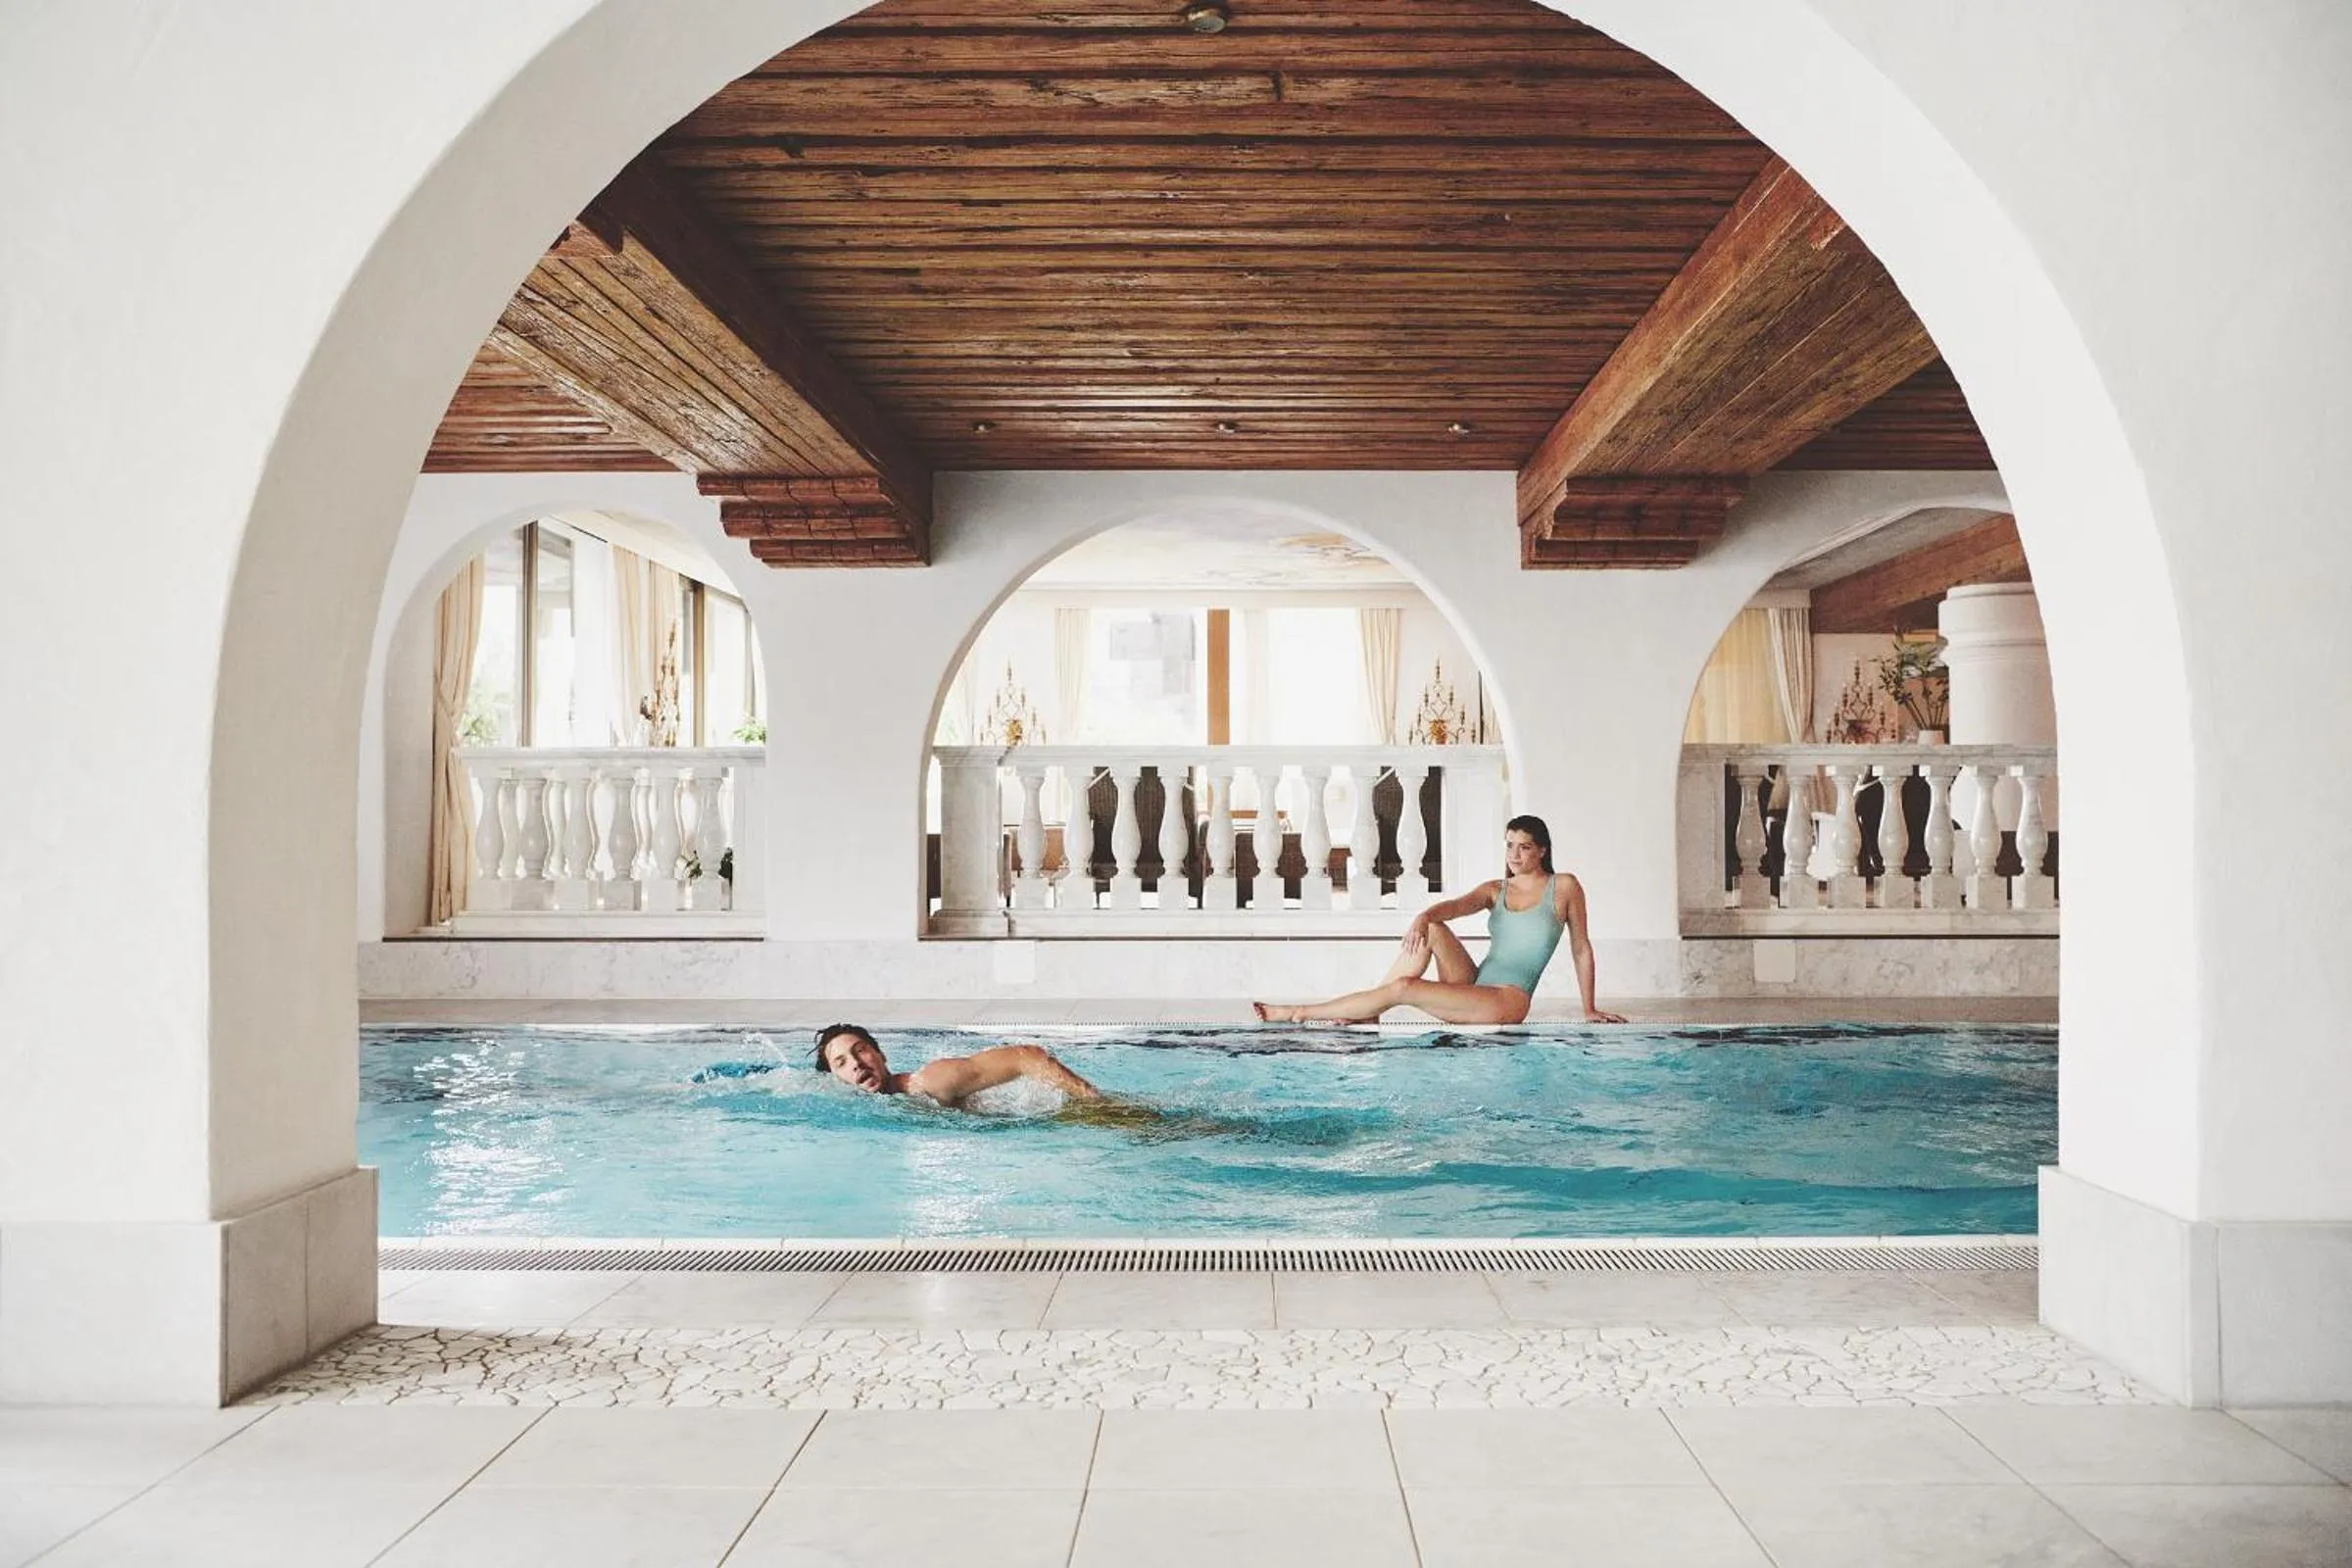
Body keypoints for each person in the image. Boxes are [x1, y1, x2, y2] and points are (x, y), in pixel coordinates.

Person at [1252, 814, 1628, 1026]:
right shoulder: (1496, 889)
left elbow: (1581, 949)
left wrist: (1589, 1009)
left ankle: (1297, 1012)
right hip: (1475, 986)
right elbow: (1454, 907)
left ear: (1542, 850)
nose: (1514, 855)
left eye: (1524, 847)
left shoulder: (1564, 887)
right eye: (1510, 845)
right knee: (1431, 928)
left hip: (1506, 1001)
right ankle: (1369, 1013)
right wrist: (1423, 916)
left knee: (1405, 987)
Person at [813, 1022, 1106, 1108]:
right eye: (841, 1063)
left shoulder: (930, 1082)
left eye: (861, 1051)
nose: (856, 1064)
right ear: (834, 1078)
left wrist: (1093, 1101)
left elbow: (1026, 1056)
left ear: (881, 1055)